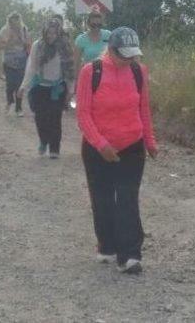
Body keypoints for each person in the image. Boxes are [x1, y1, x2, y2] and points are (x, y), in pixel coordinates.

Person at [76, 27, 157, 274]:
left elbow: (143, 109)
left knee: (127, 198)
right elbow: (83, 115)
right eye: (124, 55)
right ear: (110, 50)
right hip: (97, 148)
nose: (129, 60)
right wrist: (101, 145)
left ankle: (130, 255)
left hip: (132, 145)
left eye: (133, 55)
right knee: (102, 200)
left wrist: (150, 141)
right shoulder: (91, 72)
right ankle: (107, 244)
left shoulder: (138, 71)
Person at [17, 18, 74, 158]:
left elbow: (69, 70)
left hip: (57, 88)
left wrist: (70, 90)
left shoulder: (65, 47)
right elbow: (31, 67)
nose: (51, 36)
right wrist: (23, 86)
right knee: (41, 118)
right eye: (48, 33)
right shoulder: (38, 45)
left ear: (59, 33)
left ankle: (55, 149)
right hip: (40, 87)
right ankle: (43, 140)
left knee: (55, 118)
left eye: (54, 33)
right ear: (44, 32)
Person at [0, 12, 31, 116]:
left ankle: (18, 108)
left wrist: (22, 39)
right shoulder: (4, 30)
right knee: (10, 84)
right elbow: (1, 46)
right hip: (8, 60)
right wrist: (10, 40)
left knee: (19, 85)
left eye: (16, 21)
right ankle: (9, 101)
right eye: (12, 22)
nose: (14, 24)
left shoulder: (24, 30)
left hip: (22, 60)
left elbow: (28, 44)